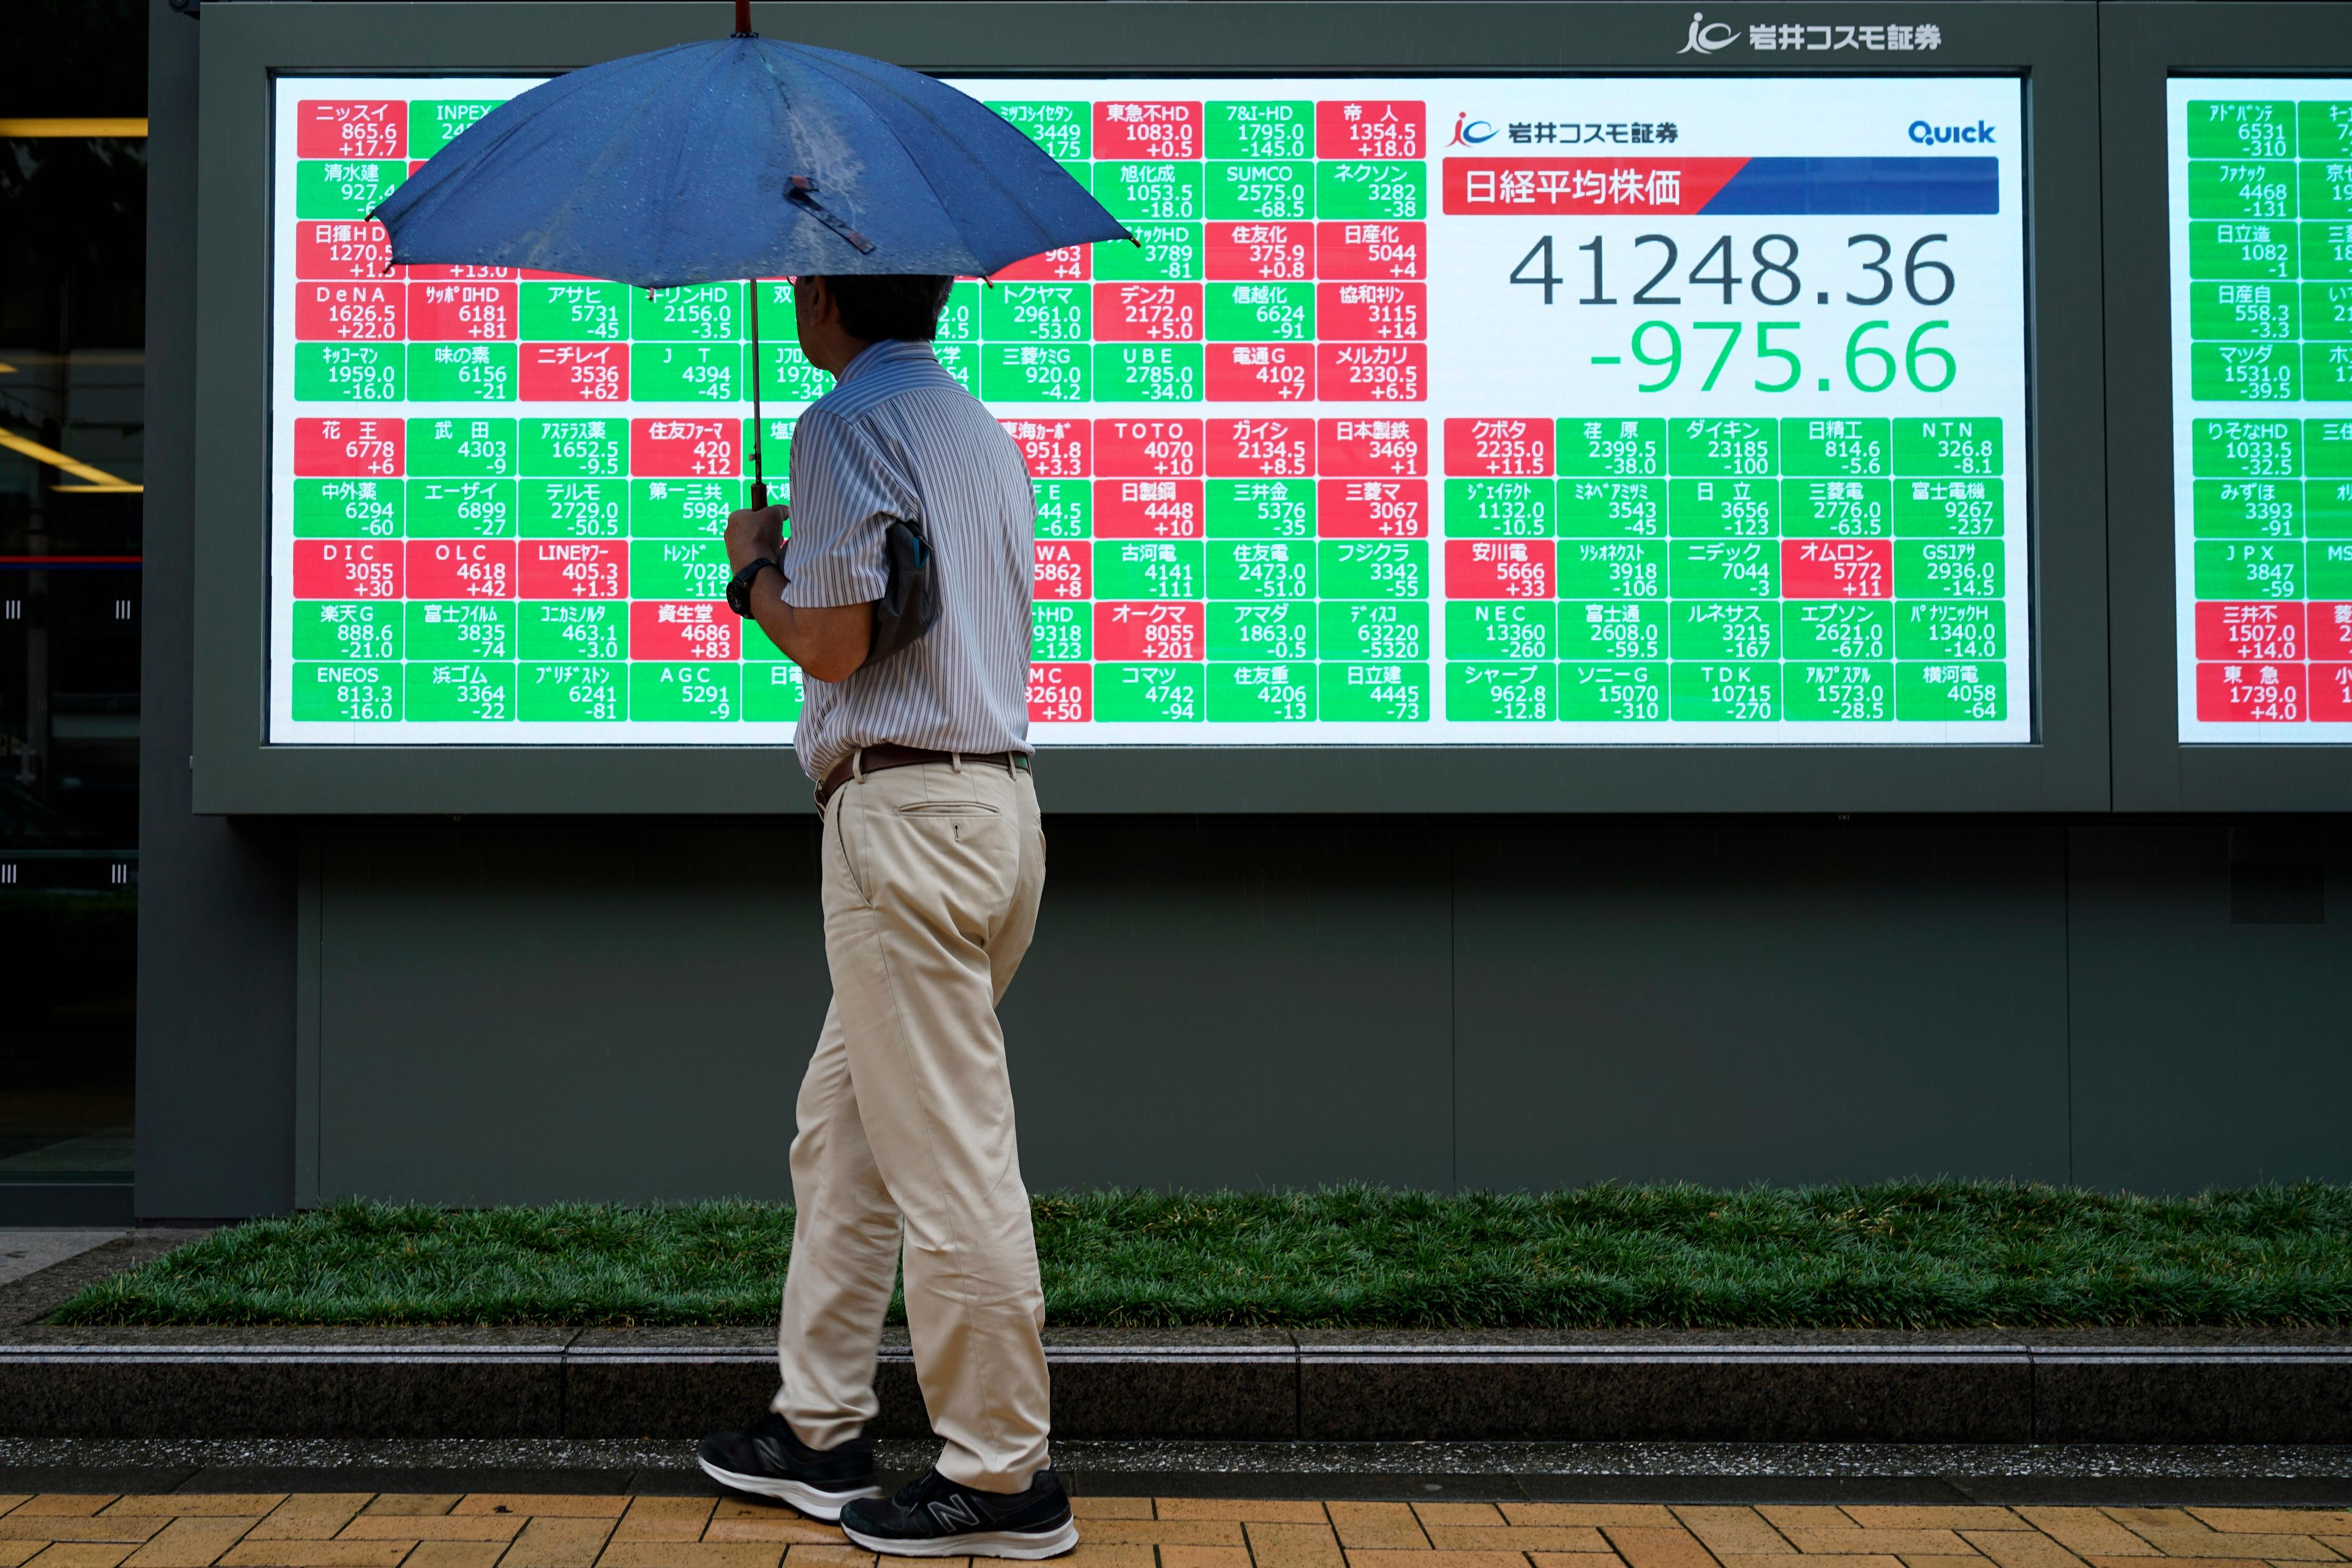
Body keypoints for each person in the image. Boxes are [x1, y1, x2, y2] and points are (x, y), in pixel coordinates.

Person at [696, 273, 1071, 1561]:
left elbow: (843, 644)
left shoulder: (843, 425)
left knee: (949, 1158)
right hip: (996, 814)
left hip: (903, 821)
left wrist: (754, 575)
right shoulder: (978, 429)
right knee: (844, 1132)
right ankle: (818, 1428)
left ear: (822, 298)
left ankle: (1004, 1474)